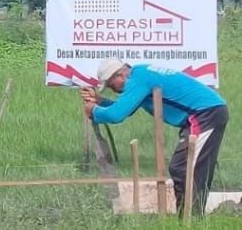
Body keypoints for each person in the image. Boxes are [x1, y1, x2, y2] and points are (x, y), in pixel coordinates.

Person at [85, 59, 229, 214]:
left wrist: (94, 111)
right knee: (183, 168)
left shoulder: (137, 80)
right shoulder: (141, 73)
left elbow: (117, 115)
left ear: (120, 75)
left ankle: (191, 220)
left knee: (186, 168)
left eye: (111, 85)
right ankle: (187, 219)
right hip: (203, 113)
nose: (114, 90)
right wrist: (100, 102)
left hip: (205, 114)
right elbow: (127, 108)